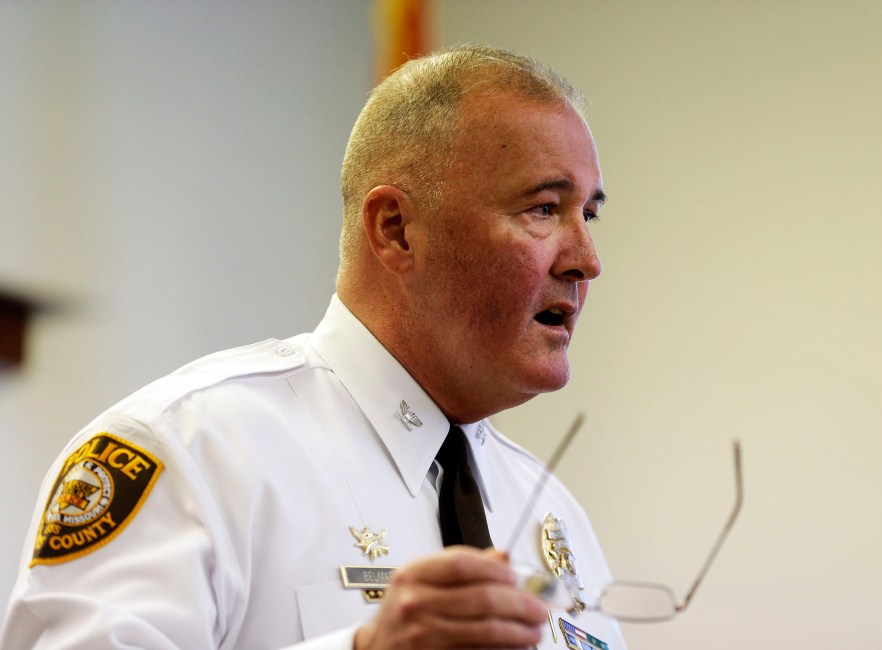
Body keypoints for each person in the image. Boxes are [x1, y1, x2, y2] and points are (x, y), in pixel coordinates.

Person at [1, 45, 626, 649]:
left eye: (588, 216)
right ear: (397, 230)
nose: (587, 262)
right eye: (544, 209)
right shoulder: (188, 454)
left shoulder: (550, 511)